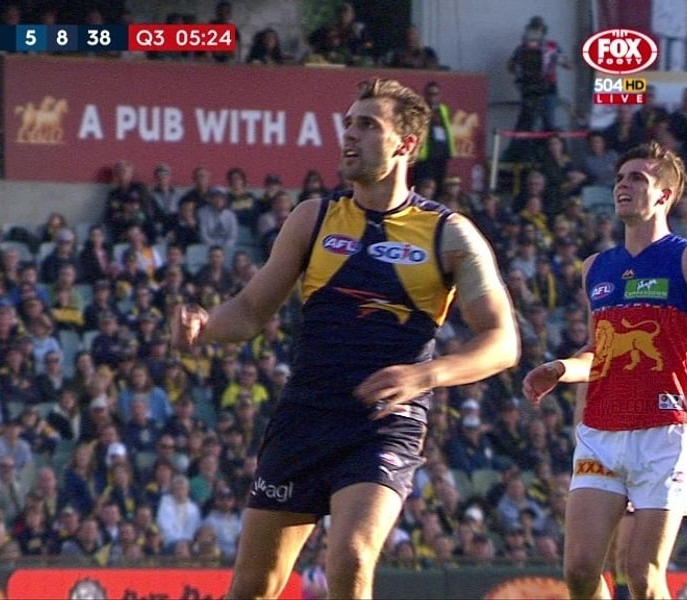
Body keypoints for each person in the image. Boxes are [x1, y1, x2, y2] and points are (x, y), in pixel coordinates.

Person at [173, 78, 520, 598]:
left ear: (405, 144)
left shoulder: (448, 233)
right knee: (253, 586)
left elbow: (502, 341)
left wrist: (424, 375)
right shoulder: (312, 219)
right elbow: (248, 311)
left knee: (352, 559)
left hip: (383, 424)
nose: (350, 135)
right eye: (348, 124)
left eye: (368, 125)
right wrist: (205, 327)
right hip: (304, 417)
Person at [522, 141, 687, 599]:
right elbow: (599, 351)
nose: (623, 185)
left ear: (664, 194)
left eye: (637, 178)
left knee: (642, 576)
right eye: (620, 178)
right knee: (580, 572)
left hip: (662, 433)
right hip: (601, 433)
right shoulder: (597, 268)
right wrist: (561, 368)